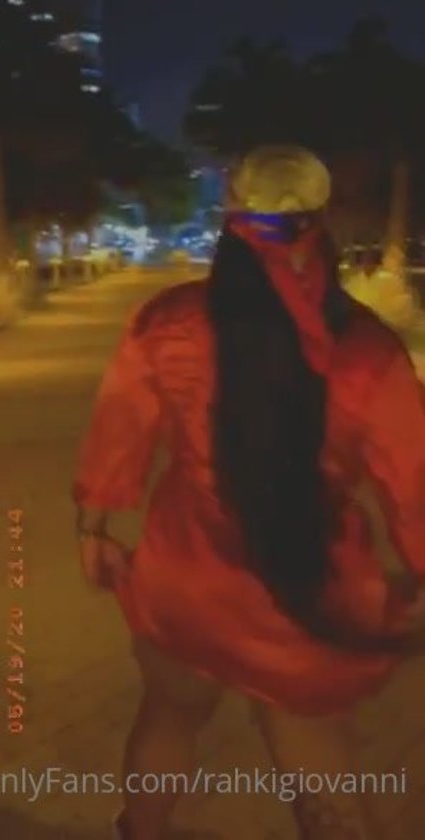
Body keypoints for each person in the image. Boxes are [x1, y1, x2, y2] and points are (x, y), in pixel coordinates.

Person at [72, 146, 425, 840]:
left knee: (169, 716)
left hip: (185, 580)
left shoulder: (169, 322)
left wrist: (94, 525)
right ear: (320, 220)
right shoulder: (368, 351)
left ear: (231, 216)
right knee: (320, 769)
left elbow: (121, 429)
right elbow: (413, 483)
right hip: (301, 596)